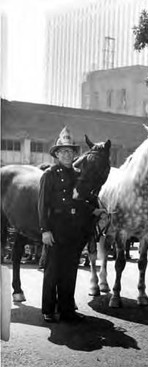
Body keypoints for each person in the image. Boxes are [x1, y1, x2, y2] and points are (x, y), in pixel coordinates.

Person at [39, 127, 101, 323]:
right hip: (56, 227)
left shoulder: (78, 175)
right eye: (63, 151)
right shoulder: (49, 174)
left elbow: (81, 201)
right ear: (57, 154)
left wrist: (93, 211)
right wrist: (45, 230)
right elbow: (42, 204)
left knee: (70, 270)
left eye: (70, 151)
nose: (67, 154)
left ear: (74, 154)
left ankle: (67, 309)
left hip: (74, 228)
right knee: (53, 270)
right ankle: (49, 309)